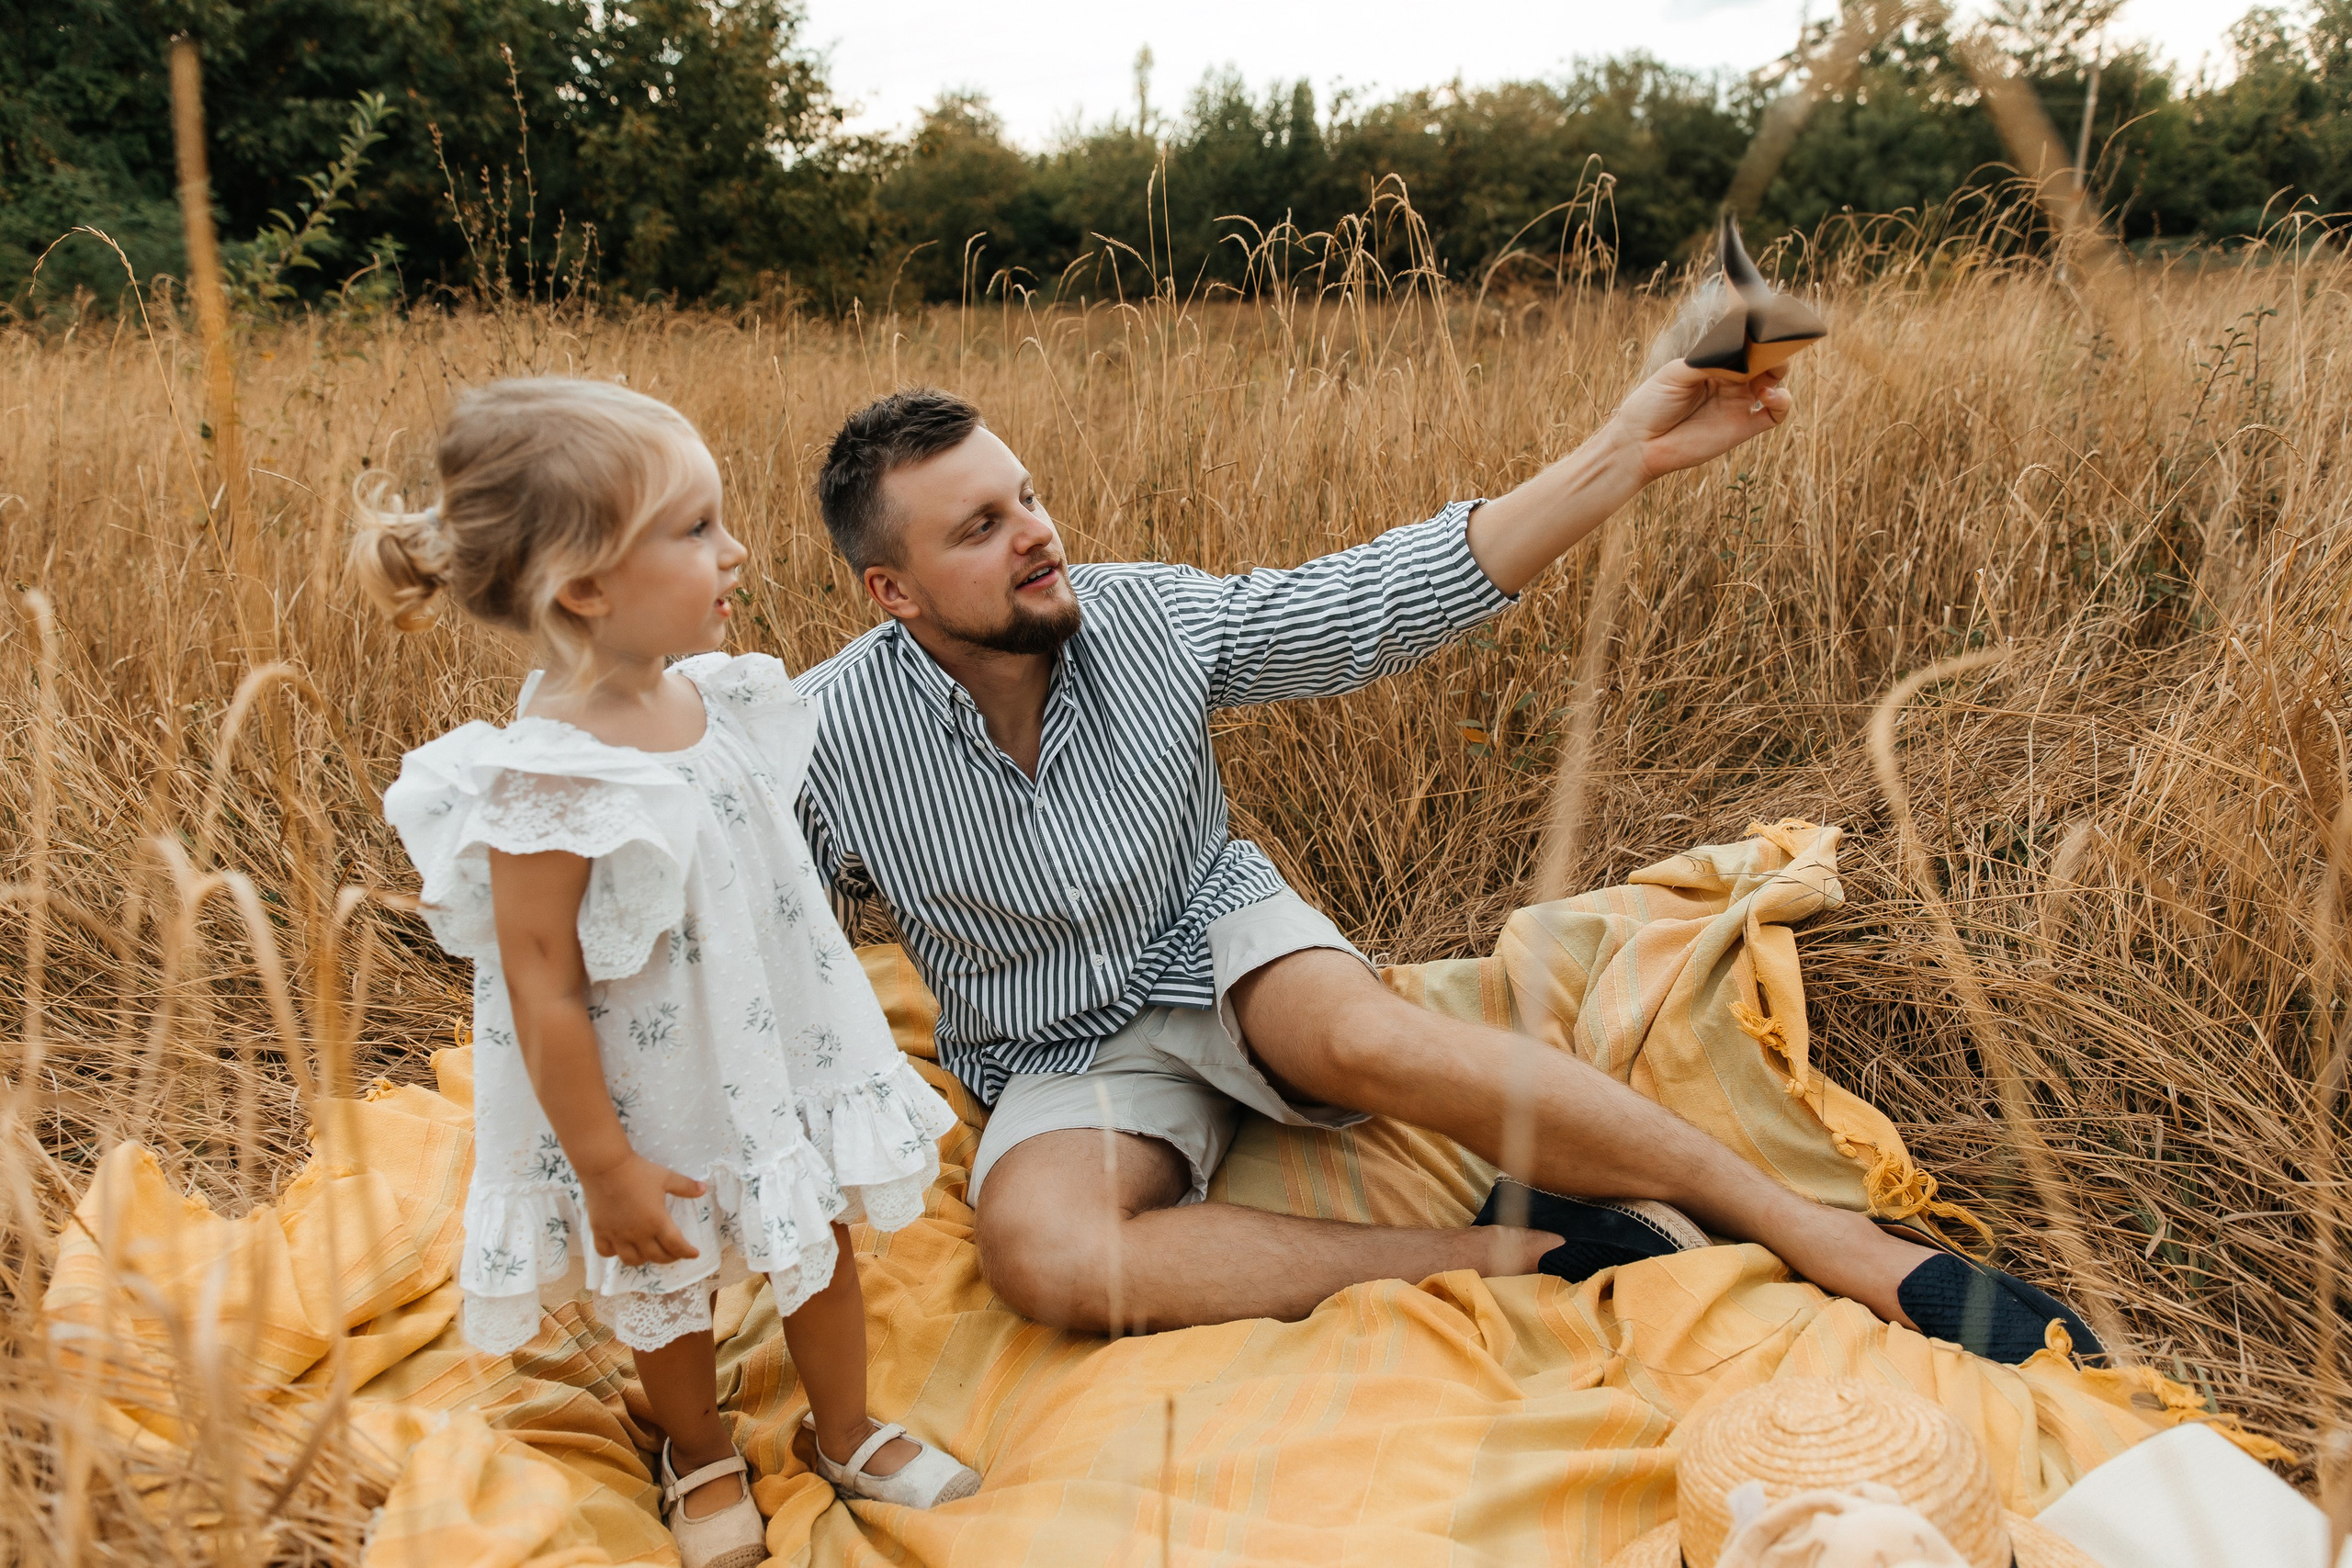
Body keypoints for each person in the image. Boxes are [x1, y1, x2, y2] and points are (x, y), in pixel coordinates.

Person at [796, 359, 2098, 1359]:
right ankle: (1529, 1252)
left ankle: (1826, 1236)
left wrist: (1624, 454)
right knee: (1046, 1262)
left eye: (1025, 496)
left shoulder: (1149, 617)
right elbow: (710, 900)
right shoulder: (821, 733)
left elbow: (1377, 600)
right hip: (1056, 1054)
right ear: (891, 592)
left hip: (1220, 942)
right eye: (978, 527)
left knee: (1365, 1041)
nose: (1035, 532)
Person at [357, 379, 983, 1568]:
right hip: (653, 1092)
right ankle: (695, 1448)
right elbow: (539, 985)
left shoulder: (717, 698)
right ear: (587, 587)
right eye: (695, 530)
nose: (733, 547)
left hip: (772, 1041)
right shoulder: (550, 776)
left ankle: (843, 1428)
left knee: (820, 1233)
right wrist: (605, 1167)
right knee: (667, 1276)